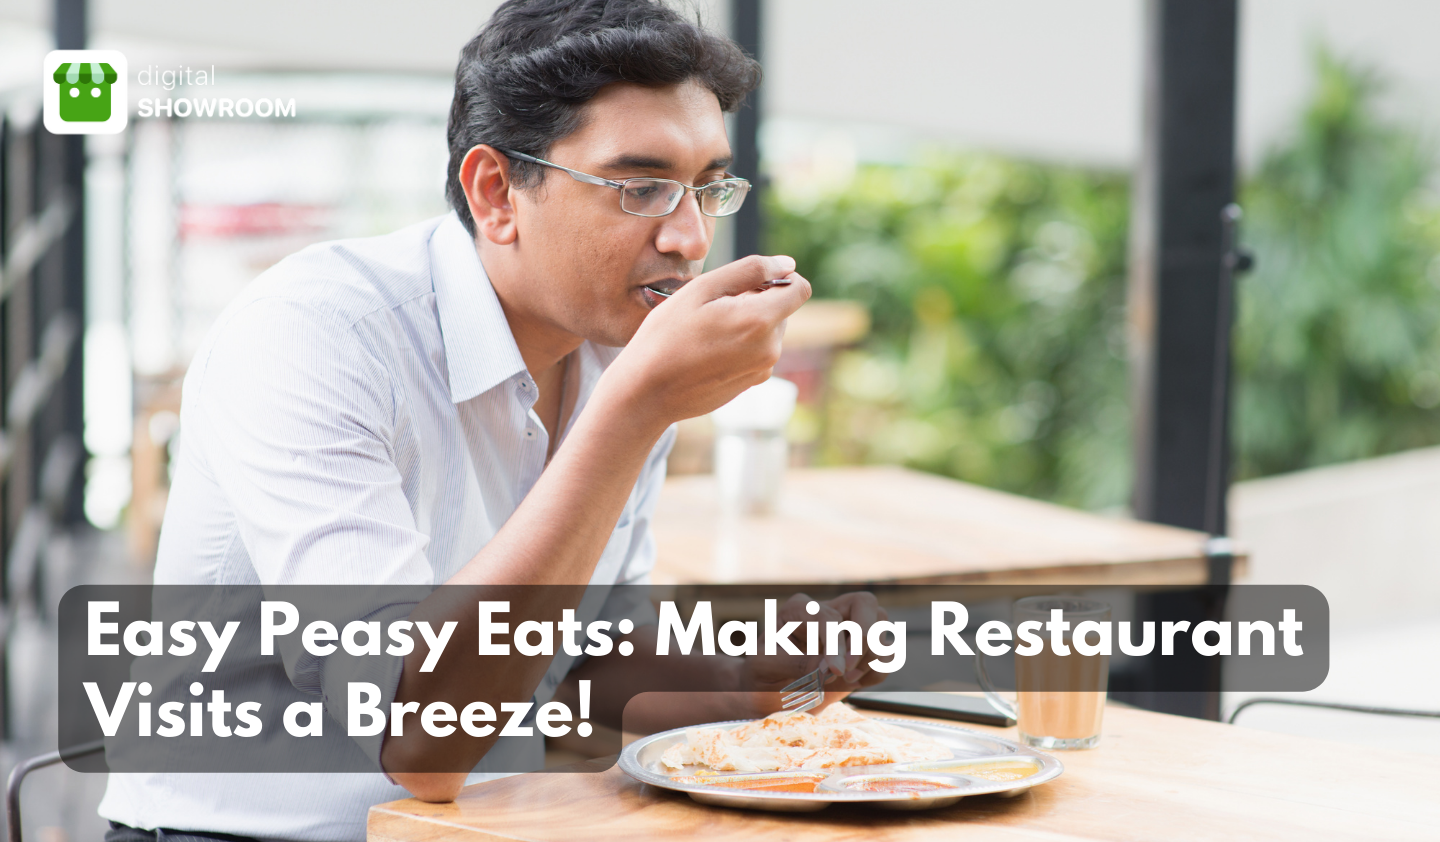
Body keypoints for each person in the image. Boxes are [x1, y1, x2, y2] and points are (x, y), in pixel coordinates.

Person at [98, 2, 885, 840]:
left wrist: (742, 681)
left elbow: (577, 656)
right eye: (641, 187)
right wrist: (633, 412)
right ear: (496, 192)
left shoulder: (617, 349)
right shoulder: (315, 333)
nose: (691, 238)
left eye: (706, 188)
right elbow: (417, 738)